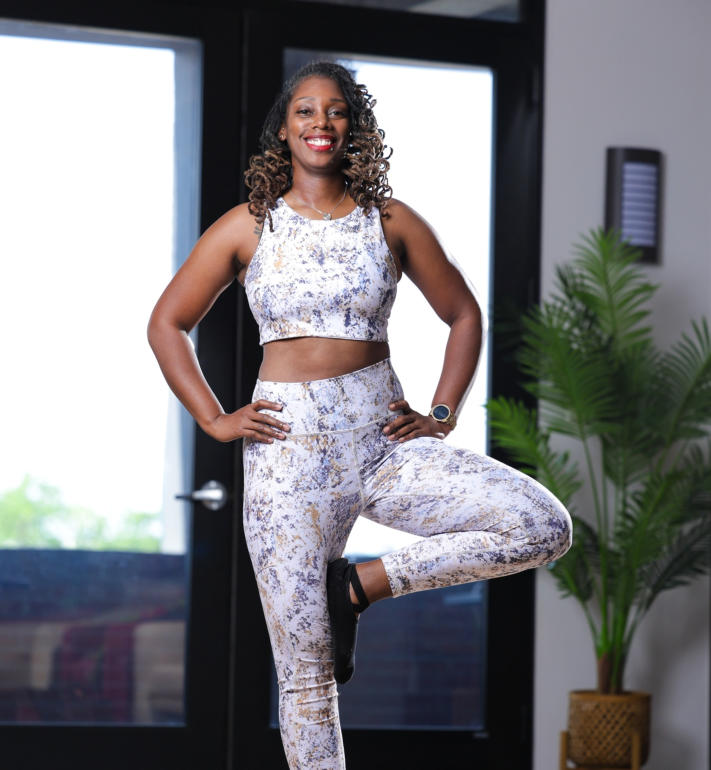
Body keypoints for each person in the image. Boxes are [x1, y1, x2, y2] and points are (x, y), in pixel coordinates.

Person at [148, 60, 572, 770]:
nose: (321, 123)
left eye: (336, 110)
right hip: (287, 457)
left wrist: (442, 411)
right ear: (285, 130)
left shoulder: (391, 220)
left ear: (355, 127)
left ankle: (359, 585)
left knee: (540, 525)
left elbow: (464, 314)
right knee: (306, 678)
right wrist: (215, 419)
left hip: (382, 443)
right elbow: (167, 323)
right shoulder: (249, 226)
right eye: (305, 111)